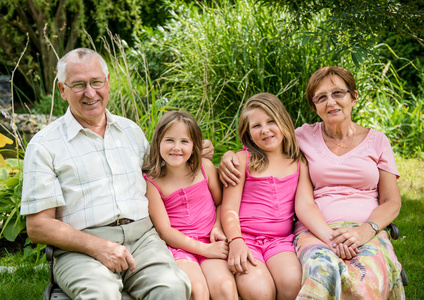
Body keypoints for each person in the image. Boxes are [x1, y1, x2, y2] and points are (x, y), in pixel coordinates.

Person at [20, 48, 212, 299]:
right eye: (78, 85)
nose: (90, 93)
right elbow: (37, 226)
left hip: (143, 239)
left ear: (108, 82)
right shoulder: (44, 145)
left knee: (173, 288)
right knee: (101, 295)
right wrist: (98, 246)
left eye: (96, 82)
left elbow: (164, 171)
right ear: (62, 90)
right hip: (82, 247)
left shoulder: (130, 131)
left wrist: (202, 153)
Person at [219, 67, 405, 299]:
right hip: (315, 229)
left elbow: (392, 201)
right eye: (321, 97)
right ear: (314, 106)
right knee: (321, 271)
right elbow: (264, 143)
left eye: (338, 93)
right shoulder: (301, 137)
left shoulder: (378, 141)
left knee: (366, 275)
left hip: (366, 228)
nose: (331, 102)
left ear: (353, 96)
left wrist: (365, 231)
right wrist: (229, 155)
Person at [143, 110, 238, 300]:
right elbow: (165, 231)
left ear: (195, 145)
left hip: (210, 240)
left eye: (184, 141)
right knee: (197, 291)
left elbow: (221, 204)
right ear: (158, 142)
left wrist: (218, 227)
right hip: (180, 248)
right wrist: (203, 250)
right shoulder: (153, 181)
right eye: (169, 140)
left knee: (225, 287)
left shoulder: (205, 168)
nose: (176, 147)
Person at [221, 93, 302, 300]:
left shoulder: (298, 162)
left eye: (271, 121)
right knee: (259, 291)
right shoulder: (242, 160)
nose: (265, 130)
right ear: (247, 132)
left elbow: (306, 204)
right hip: (246, 240)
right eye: (256, 126)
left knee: (292, 282)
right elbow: (228, 208)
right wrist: (236, 241)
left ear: (283, 121)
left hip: (280, 241)